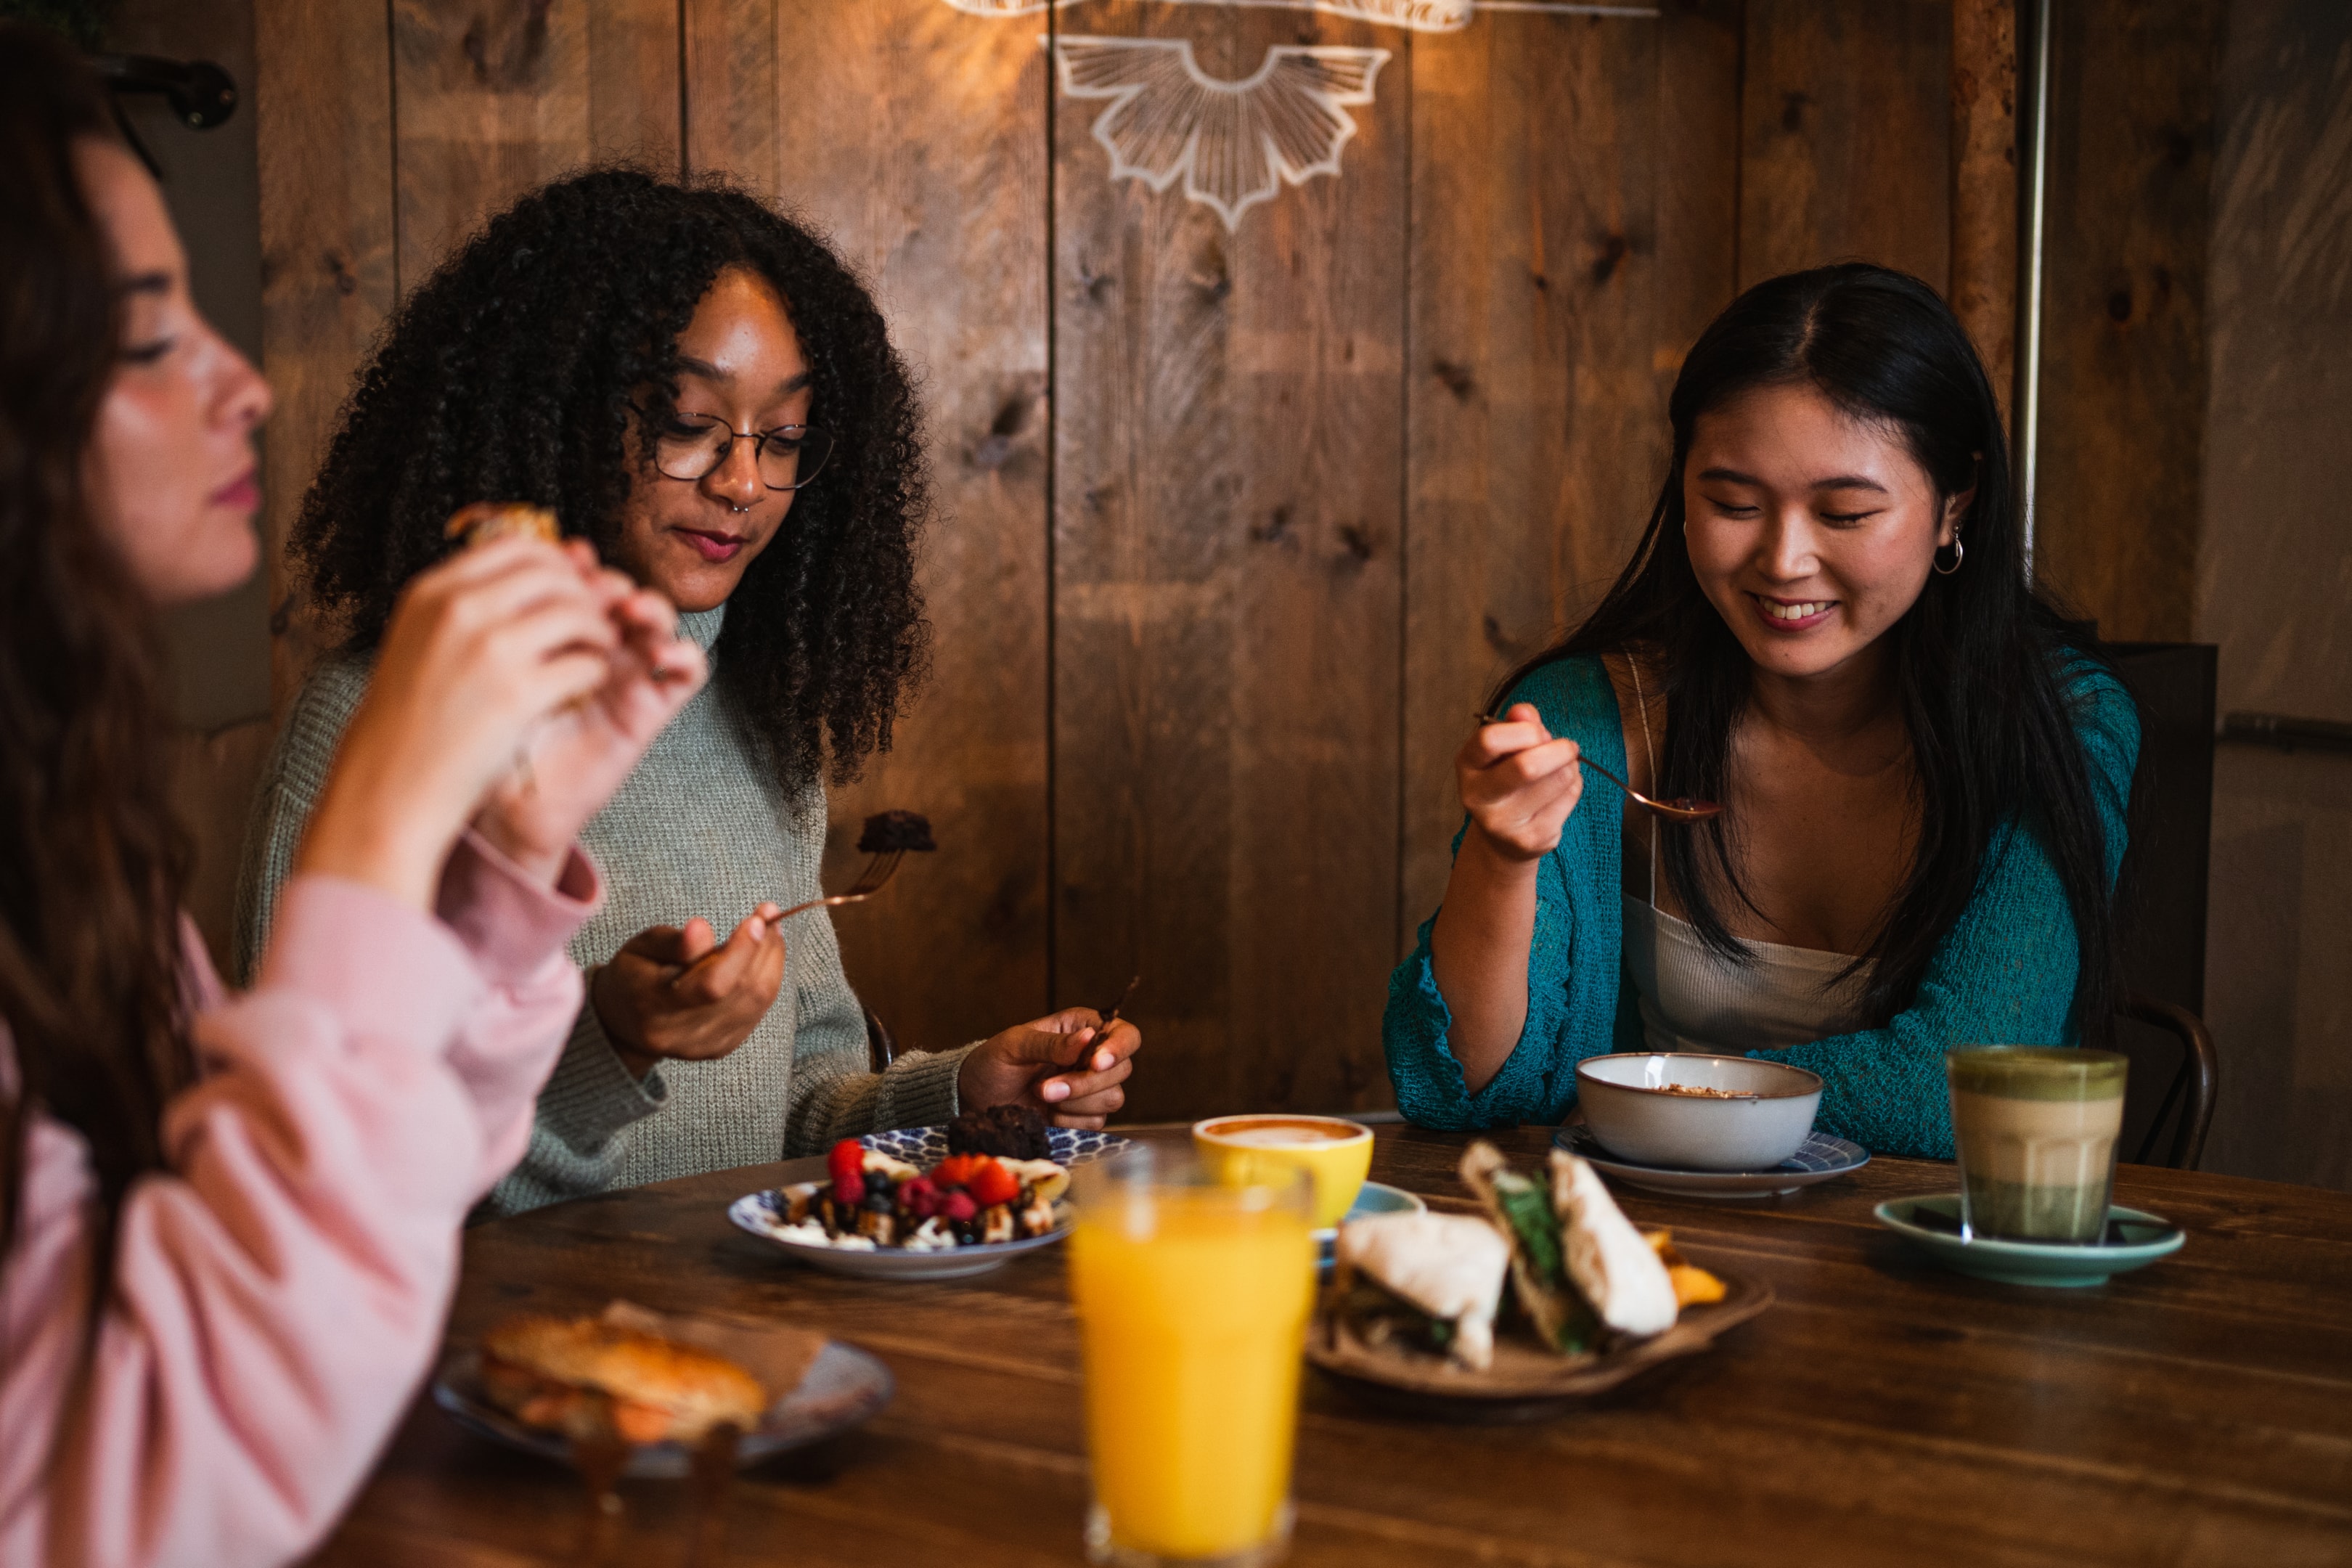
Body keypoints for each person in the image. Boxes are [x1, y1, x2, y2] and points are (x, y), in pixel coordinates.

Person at [0, 29, 708, 1564]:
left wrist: (502, 860)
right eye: (143, 338)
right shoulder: (345, 715)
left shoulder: (59, 827)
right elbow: (150, 1492)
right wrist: (377, 827)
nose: (244, 381)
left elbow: (342, 1202)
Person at [235, 169, 1140, 1216]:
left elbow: (788, 1119)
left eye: (785, 439)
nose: (743, 482)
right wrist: (607, 1045)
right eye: (685, 423)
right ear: (558, 412)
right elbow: (310, 1194)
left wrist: (964, 1095)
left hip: (742, 1340)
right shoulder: (375, 724)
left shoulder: (757, 723)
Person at [1384, 264, 2140, 1159]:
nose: (1783, 561)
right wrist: (1505, 859)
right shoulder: (1586, 718)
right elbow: (1462, 1087)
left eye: (1847, 514)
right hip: (1651, 1256)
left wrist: (1649, 1099)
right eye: (1733, 503)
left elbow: (1952, 1091)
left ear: (1955, 504)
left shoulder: (2058, 728)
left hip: (1920, 1262)